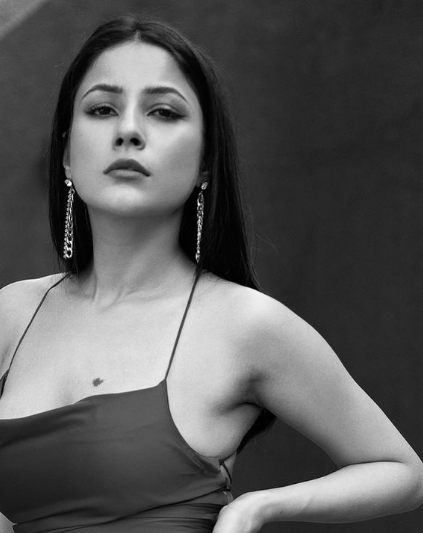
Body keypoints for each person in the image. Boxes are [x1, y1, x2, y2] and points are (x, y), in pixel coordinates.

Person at [0, 14, 422, 533]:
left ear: (205, 162)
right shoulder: (13, 314)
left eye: (163, 112)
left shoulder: (245, 326)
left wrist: (256, 508)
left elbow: (401, 471)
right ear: (67, 154)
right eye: (102, 109)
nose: (128, 130)